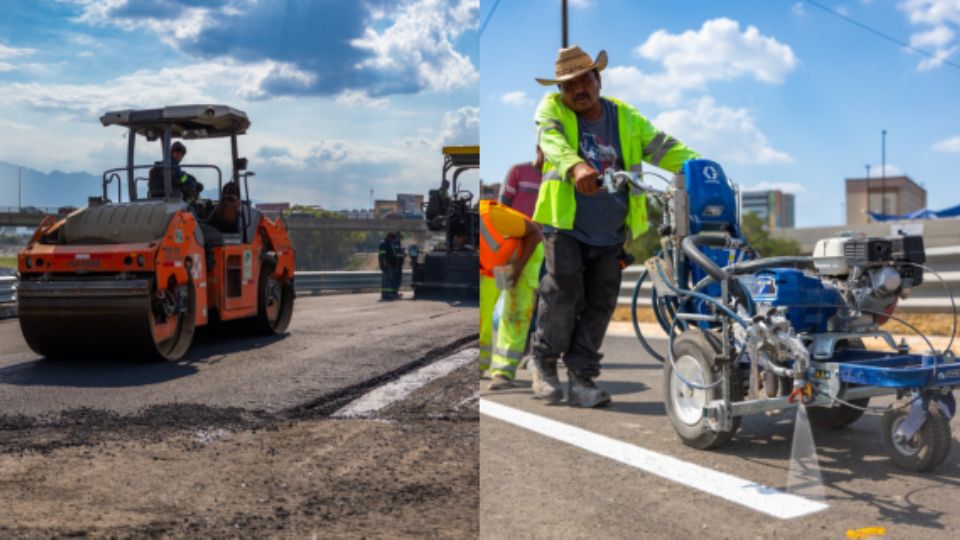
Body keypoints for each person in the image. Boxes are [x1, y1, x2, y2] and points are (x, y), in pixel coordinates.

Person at [528, 45, 699, 407]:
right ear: (560, 91)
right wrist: (576, 167)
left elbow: (663, 147)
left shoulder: (626, 117)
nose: (578, 89)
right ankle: (544, 362)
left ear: (598, 79)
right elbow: (552, 141)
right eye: (568, 84)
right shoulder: (551, 109)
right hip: (565, 224)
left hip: (612, 229)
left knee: (602, 302)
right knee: (563, 288)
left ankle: (582, 379)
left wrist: (703, 169)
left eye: (584, 80)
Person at [479, 199, 544, 390]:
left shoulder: (491, 217)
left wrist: (518, 266)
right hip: (493, 264)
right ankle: (479, 364)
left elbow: (534, 232)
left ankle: (503, 372)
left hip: (526, 256)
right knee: (481, 311)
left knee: (514, 312)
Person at [500, 146, 544, 218]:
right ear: (538, 150)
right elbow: (505, 200)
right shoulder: (518, 170)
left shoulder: (552, 176)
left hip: (540, 226)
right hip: (517, 223)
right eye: (545, 151)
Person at [378, 232, 400, 300]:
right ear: (389, 237)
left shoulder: (390, 244)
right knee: (386, 280)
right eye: (392, 238)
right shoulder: (383, 244)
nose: (393, 240)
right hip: (387, 264)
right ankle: (386, 294)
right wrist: (385, 262)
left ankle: (389, 293)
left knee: (390, 279)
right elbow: (382, 254)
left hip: (391, 264)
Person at [391, 231, 405, 298]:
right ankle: (394, 293)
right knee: (397, 279)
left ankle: (394, 292)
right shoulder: (396, 242)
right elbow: (396, 254)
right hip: (397, 264)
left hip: (397, 264)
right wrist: (402, 253)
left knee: (396, 279)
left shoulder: (394, 242)